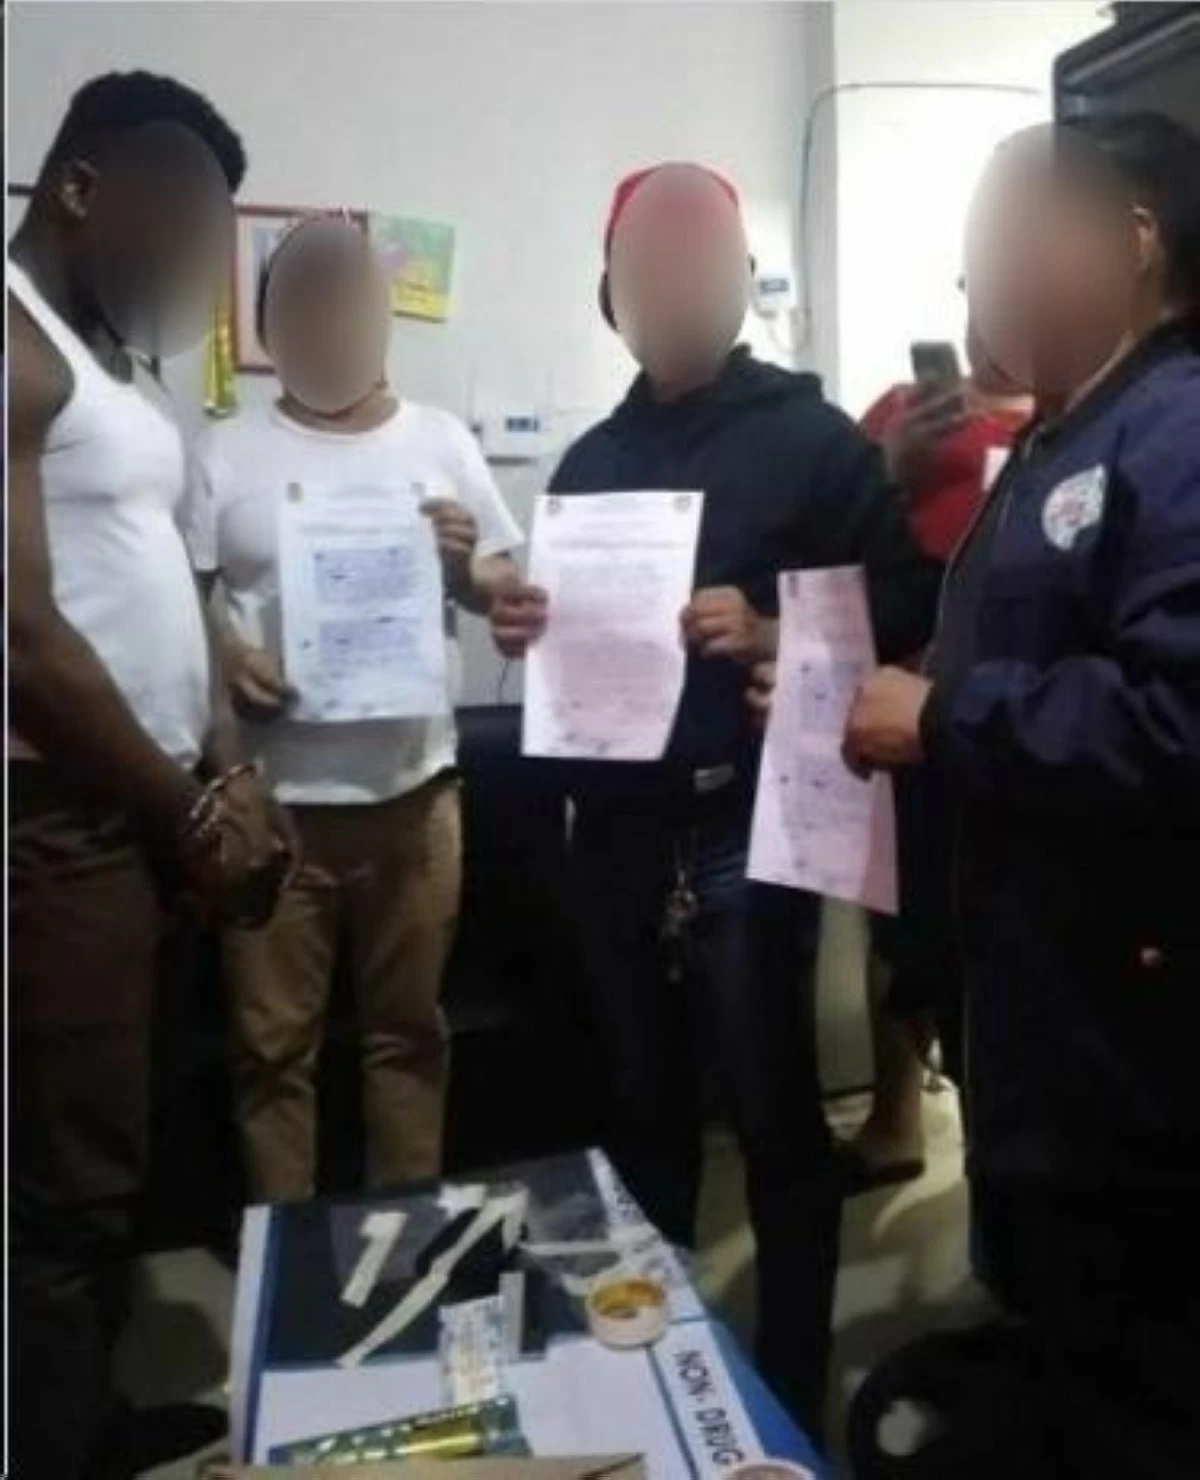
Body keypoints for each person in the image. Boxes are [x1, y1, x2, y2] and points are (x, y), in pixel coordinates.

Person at [490, 161, 939, 1436]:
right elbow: (568, 646)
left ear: (743, 285)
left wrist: (777, 628)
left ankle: (785, 1398)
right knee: (639, 1113)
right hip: (617, 839)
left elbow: (909, 609)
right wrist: (529, 624)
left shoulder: (813, 440)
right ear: (611, 296)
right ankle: (655, 1381)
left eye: (705, 261)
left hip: (753, 825)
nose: (678, 284)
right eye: (651, 267)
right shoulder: (590, 459)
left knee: (774, 1111)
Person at [843, 112, 1200, 1476]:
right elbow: (1008, 662)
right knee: (1059, 1326)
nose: (977, 283)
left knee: (1139, 1370)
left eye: (1007, 239)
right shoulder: (1057, 439)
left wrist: (942, 714)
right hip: (1036, 1004)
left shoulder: (1175, 429)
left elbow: (1181, 722)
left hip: (1135, 1038)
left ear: (1133, 236)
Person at [8, 72, 292, 1480]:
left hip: (149, 818)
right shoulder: (12, 342)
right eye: (179, 218)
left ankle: (98, 1417)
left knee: (117, 1152)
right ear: (79, 187)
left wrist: (227, 773)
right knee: (65, 1190)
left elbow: (178, 598)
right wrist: (181, 808)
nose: (194, 262)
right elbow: (21, 637)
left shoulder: (112, 365)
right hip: (62, 825)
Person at [183, 216, 523, 1203]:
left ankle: (402, 1252)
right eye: (304, 299)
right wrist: (231, 652)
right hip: (274, 808)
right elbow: (184, 598)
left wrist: (469, 565)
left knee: (408, 1036)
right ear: (270, 327)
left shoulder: (440, 441)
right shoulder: (225, 449)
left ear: (383, 318)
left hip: (413, 798)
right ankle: (285, 1269)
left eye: (350, 297)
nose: (330, 318)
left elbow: (498, 590)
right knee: (271, 1052)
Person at [846, 324, 1031, 1189]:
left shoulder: (1082, 414)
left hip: (1015, 719)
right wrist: (890, 461)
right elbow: (826, 539)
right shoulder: (899, 410)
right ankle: (894, 1120)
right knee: (898, 926)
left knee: (997, 937)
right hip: (899, 704)